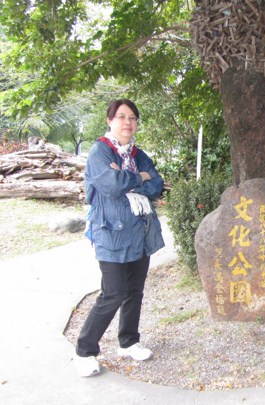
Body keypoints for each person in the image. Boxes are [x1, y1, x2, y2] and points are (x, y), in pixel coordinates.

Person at [75, 99, 165, 377]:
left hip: (140, 232)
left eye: (133, 118)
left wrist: (131, 175)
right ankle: (85, 350)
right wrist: (141, 177)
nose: (128, 122)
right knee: (112, 293)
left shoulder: (138, 153)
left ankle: (129, 341)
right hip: (111, 234)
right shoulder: (100, 152)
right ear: (110, 120)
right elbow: (111, 187)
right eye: (122, 117)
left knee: (135, 291)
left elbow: (158, 184)